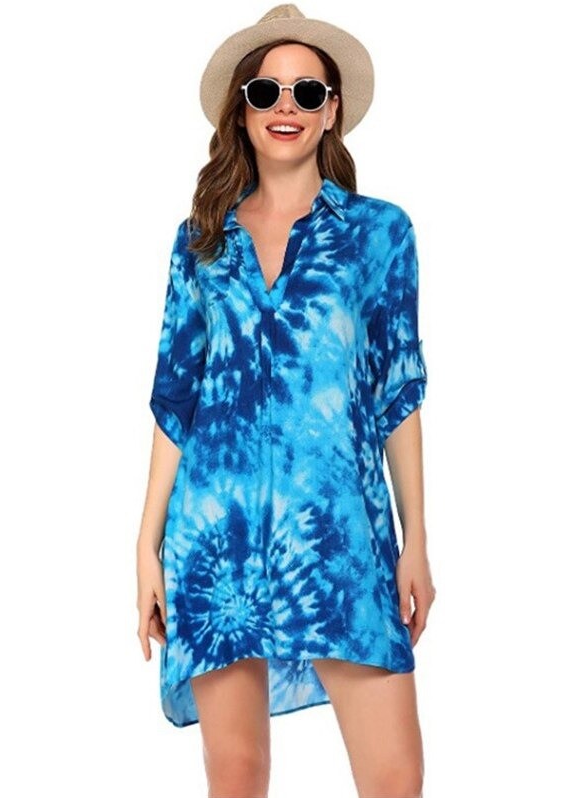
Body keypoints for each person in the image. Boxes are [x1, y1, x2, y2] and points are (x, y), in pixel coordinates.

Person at [136, 5, 436, 797]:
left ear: (332, 109)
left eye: (307, 91)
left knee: (395, 776)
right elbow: (176, 399)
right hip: (215, 535)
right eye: (267, 90)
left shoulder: (378, 234)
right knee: (236, 773)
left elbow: (398, 389)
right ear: (243, 108)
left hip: (337, 535)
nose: (286, 107)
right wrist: (145, 546)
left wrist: (415, 540)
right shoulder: (200, 243)